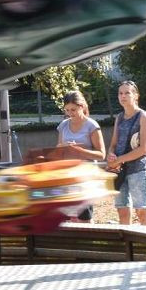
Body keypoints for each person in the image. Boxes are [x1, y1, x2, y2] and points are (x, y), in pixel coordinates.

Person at [106, 80, 146, 226]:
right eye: (120, 93)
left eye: (127, 93)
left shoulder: (143, 116)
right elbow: (113, 145)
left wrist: (119, 159)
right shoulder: (119, 118)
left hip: (138, 171)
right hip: (120, 172)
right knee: (123, 212)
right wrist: (111, 155)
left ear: (136, 95)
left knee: (141, 212)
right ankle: (127, 247)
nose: (123, 96)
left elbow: (144, 149)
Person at [56, 91, 105, 222]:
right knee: (68, 215)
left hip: (86, 176)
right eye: (67, 110)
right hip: (68, 175)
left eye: (73, 109)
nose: (70, 113)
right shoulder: (63, 125)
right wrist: (62, 148)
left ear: (82, 106)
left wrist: (79, 151)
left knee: (84, 216)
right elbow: (58, 150)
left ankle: (89, 239)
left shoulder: (92, 125)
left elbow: (101, 154)